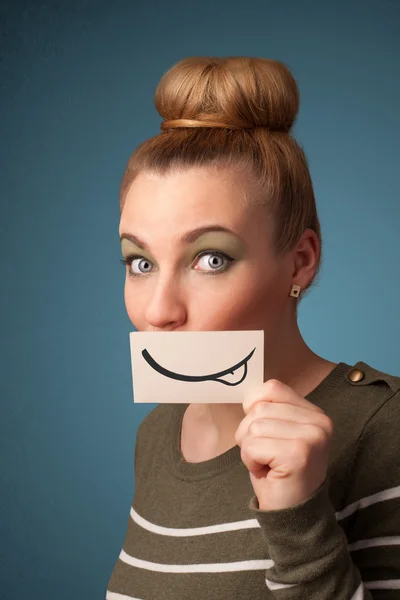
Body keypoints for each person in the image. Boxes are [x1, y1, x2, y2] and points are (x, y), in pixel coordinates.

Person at [106, 57, 400, 600]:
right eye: (140, 263)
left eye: (210, 259)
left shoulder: (385, 430)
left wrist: (297, 517)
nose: (160, 310)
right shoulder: (155, 438)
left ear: (300, 261)